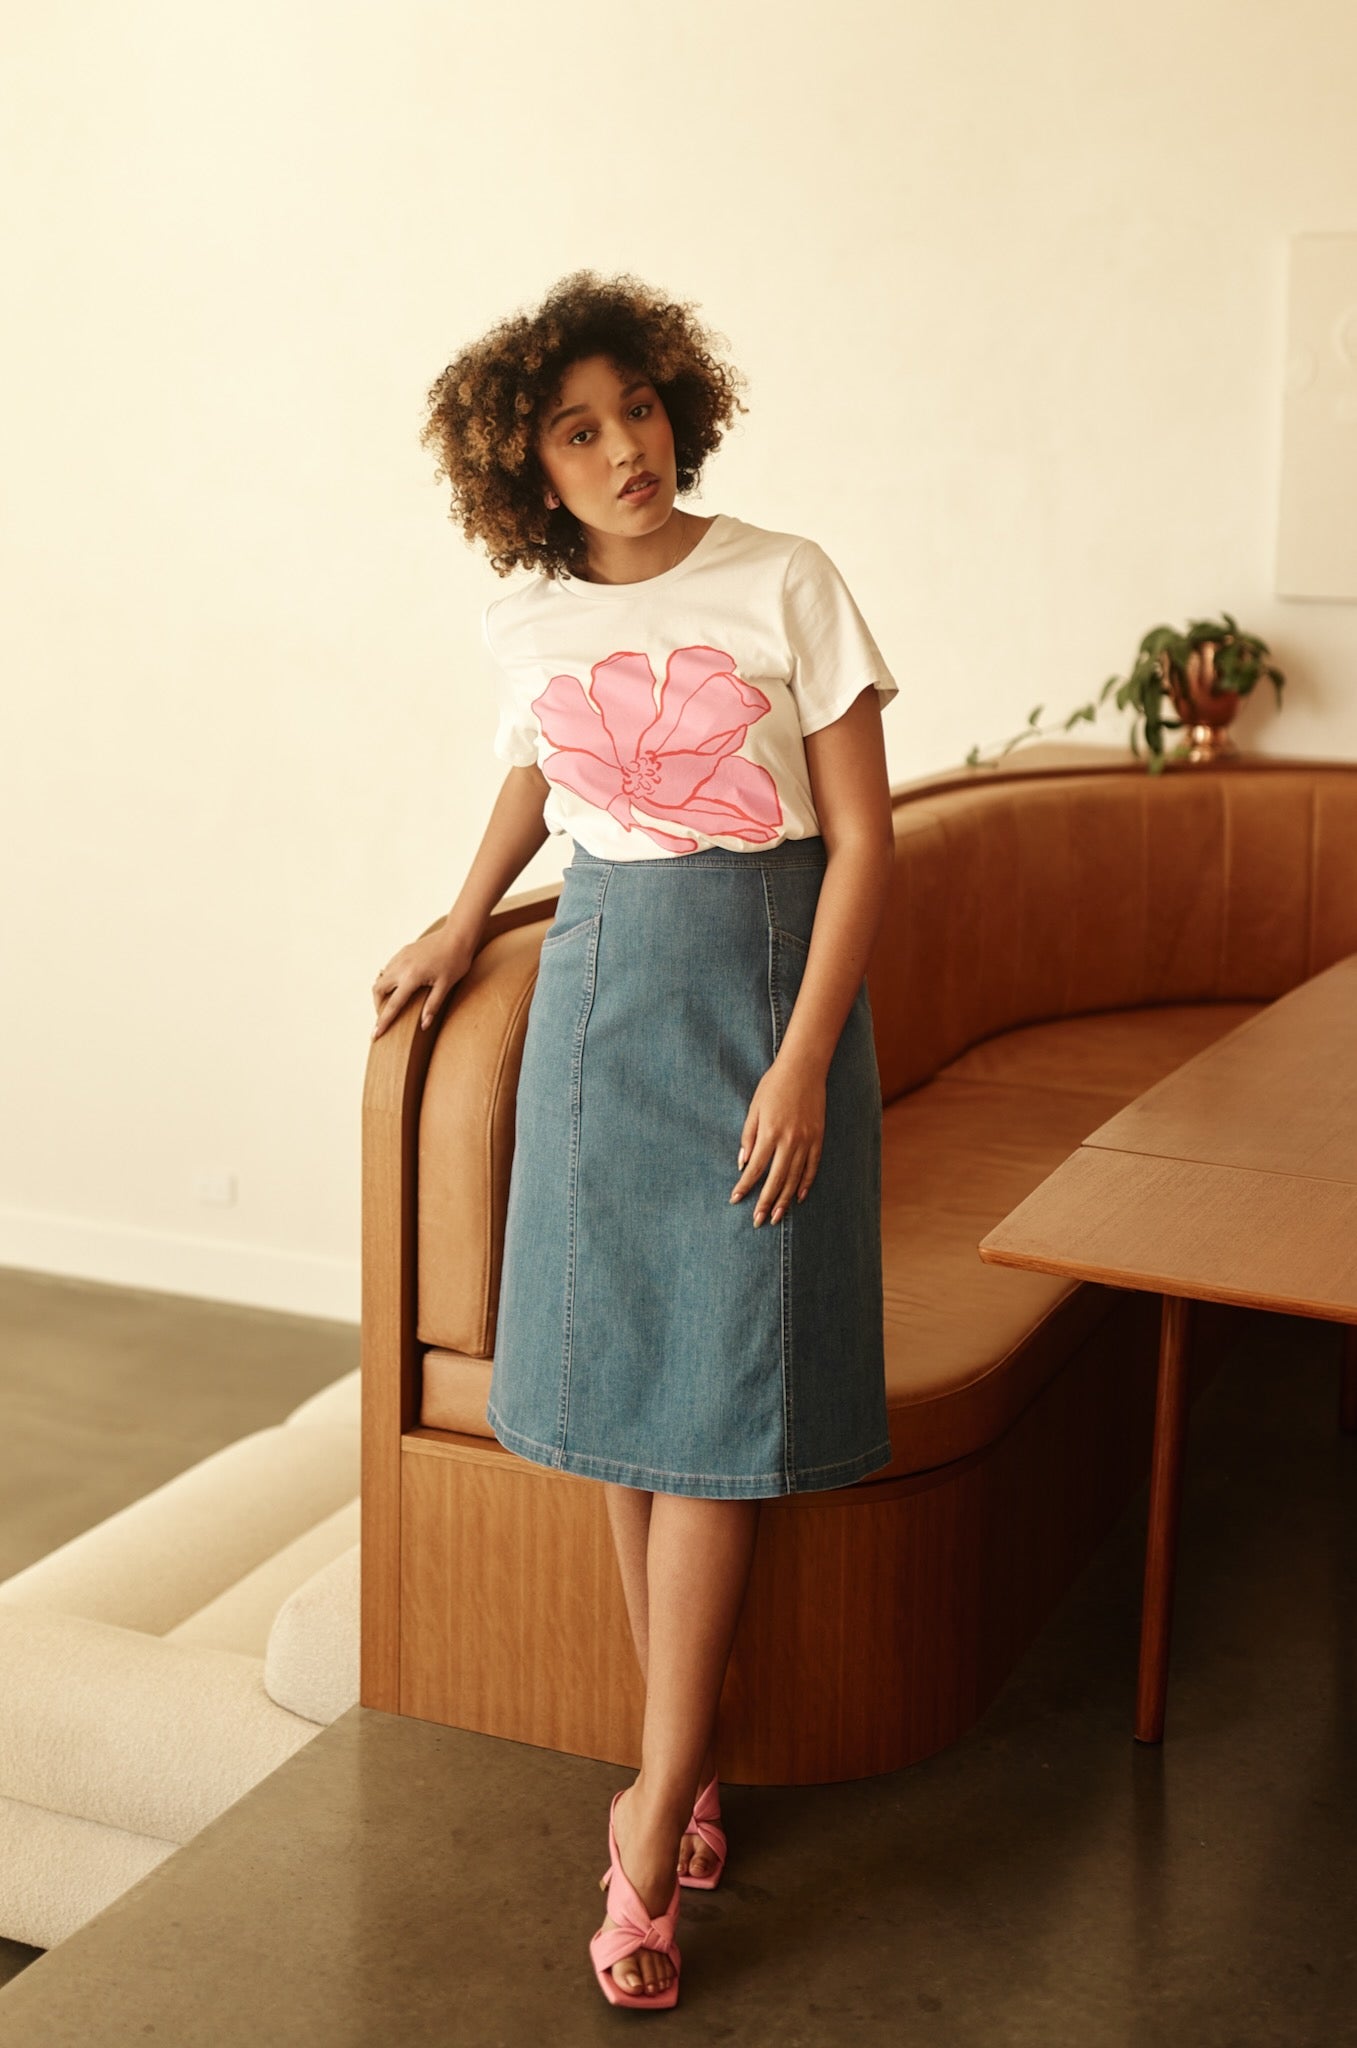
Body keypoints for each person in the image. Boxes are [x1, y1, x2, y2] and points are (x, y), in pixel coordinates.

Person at [371, 270, 899, 2011]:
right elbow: (539, 772)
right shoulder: (521, 620)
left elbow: (860, 842)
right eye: (579, 431)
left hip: (758, 1010)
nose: (625, 449)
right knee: (621, 1408)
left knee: (721, 1411)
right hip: (598, 1008)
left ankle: (651, 1800)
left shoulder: (784, 577)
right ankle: (681, 1770)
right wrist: (465, 919)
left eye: (638, 410)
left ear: (682, 400)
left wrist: (804, 1058)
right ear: (528, 470)